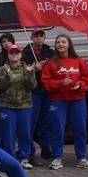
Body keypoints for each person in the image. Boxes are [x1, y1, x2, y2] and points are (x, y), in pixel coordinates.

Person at [41, 34, 88, 170]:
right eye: (58, 42)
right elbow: (46, 82)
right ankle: (57, 157)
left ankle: (81, 158)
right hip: (58, 101)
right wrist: (60, 83)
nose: (60, 44)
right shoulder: (51, 63)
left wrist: (80, 85)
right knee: (57, 129)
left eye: (63, 42)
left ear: (69, 44)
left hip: (77, 100)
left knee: (80, 129)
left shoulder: (79, 61)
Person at [0, 44, 36, 169]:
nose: (14, 55)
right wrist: (7, 75)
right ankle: (10, 158)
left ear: (20, 54)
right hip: (7, 106)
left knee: (25, 133)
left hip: (25, 106)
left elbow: (32, 86)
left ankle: (24, 157)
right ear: (8, 55)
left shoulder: (27, 69)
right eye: (11, 52)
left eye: (16, 52)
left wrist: (29, 74)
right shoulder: (2, 70)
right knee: (8, 134)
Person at [22, 28, 55, 164]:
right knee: (31, 122)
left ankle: (46, 148)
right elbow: (22, 74)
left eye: (41, 36)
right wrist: (33, 70)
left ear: (45, 38)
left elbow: (57, 69)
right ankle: (30, 152)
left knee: (46, 122)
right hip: (33, 92)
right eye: (36, 36)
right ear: (31, 38)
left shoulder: (51, 53)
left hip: (48, 92)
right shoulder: (25, 54)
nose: (39, 38)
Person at [0, 33, 16, 151]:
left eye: (8, 41)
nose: (6, 43)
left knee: (19, 127)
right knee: (3, 125)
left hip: (19, 98)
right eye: (3, 41)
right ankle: (1, 150)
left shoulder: (21, 57)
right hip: (3, 96)